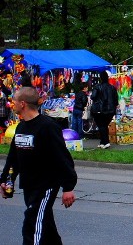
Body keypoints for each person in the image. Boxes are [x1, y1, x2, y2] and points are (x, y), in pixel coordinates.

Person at [1, 87, 77, 245]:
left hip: (45, 186)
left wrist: (68, 187)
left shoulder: (47, 127)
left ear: (22, 104)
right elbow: (13, 158)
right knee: (45, 225)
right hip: (29, 184)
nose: (11, 104)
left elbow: (62, 158)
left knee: (32, 225)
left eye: (13, 101)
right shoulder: (21, 127)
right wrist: (7, 179)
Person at [89, 71, 118, 149]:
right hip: (110, 111)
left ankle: (106, 142)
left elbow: (93, 96)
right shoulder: (112, 88)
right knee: (104, 125)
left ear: (100, 78)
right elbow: (116, 100)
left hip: (99, 110)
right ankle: (102, 142)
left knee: (101, 126)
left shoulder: (97, 86)